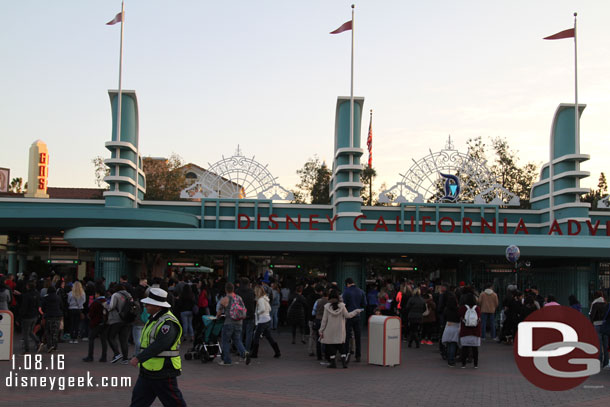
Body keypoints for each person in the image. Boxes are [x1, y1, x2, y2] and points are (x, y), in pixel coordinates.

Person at [129, 288, 186, 407]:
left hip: (164, 371)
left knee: (174, 403)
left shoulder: (168, 322)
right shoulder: (155, 318)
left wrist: (139, 358)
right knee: (138, 402)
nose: (145, 306)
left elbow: (160, 344)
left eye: (148, 304)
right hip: (148, 370)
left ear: (158, 306)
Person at [318, 290, 363, 368]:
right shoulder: (342, 306)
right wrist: (356, 311)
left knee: (331, 347)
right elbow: (348, 316)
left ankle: (333, 364)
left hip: (329, 330)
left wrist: (321, 330)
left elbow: (324, 320)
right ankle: (344, 364)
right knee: (341, 347)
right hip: (340, 330)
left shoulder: (327, 307)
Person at [216, 282, 251, 366]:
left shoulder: (224, 299)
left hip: (228, 323)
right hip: (239, 322)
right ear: (233, 289)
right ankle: (244, 353)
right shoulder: (239, 298)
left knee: (226, 341)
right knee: (237, 340)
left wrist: (217, 317)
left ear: (226, 289)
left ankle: (227, 360)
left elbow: (219, 313)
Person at [250, 285, 281, 358]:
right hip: (267, 319)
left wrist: (257, 312)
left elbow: (262, 309)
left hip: (262, 320)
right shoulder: (266, 298)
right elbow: (269, 309)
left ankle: (254, 354)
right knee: (269, 337)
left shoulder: (260, 299)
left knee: (256, 337)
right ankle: (277, 351)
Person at [342, 278, 366, 362]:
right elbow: (364, 304)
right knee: (357, 336)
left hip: (348, 316)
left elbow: (343, 304)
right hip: (357, 316)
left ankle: (345, 354)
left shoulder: (346, 291)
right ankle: (358, 355)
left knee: (347, 336)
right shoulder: (361, 291)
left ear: (347, 284)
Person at [107, 284, 133, 364]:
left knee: (110, 337)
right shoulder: (129, 295)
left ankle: (117, 353)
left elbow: (111, 306)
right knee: (123, 340)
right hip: (127, 319)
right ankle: (125, 359)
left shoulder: (115, 295)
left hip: (116, 319)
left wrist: (105, 305)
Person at [83, 285, 108, 362]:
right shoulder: (106, 301)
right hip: (104, 323)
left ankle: (90, 356)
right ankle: (104, 356)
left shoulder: (95, 303)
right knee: (104, 340)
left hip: (95, 323)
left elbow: (91, 314)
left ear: (97, 294)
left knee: (91, 338)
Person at [458, 289, 482, 368]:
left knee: (465, 348)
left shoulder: (462, 308)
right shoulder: (477, 308)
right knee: (475, 349)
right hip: (475, 331)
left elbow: (460, 316)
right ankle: (476, 364)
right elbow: (479, 318)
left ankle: (463, 364)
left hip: (465, 331)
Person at [19, 281, 40, 354]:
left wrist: (20, 316)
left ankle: (27, 349)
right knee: (30, 331)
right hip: (34, 315)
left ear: (28, 286)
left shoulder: (26, 295)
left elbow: (24, 307)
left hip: (27, 316)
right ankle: (38, 342)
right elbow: (38, 305)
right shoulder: (37, 294)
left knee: (25, 333)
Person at [589, 291, 609, 369]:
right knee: (606, 345)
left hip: (597, 325)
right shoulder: (606, 304)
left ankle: (599, 361)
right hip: (605, 326)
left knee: (599, 344)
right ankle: (606, 362)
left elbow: (592, 315)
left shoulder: (595, 304)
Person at [236, 277, 256, 352]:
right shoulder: (251, 291)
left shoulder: (237, 291)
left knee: (240, 334)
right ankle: (247, 350)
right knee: (249, 334)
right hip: (250, 314)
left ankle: (240, 350)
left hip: (240, 315)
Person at [41, 286, 64, 353]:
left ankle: (49, 345)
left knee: (48, 331)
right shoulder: (58, 298)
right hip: (57, 316)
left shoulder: (45, 298)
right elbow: (62, 306)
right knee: (55, 332)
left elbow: (43, 308)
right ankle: (55, 346)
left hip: (49, 316)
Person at [441, 291, 460, 367]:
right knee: (453, 343)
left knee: (448, 343)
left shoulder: (446, 309)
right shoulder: (457, 309)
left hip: (448, 326)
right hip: (455, 326)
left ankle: (449, 358)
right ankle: (451, 359)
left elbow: (444, 317)